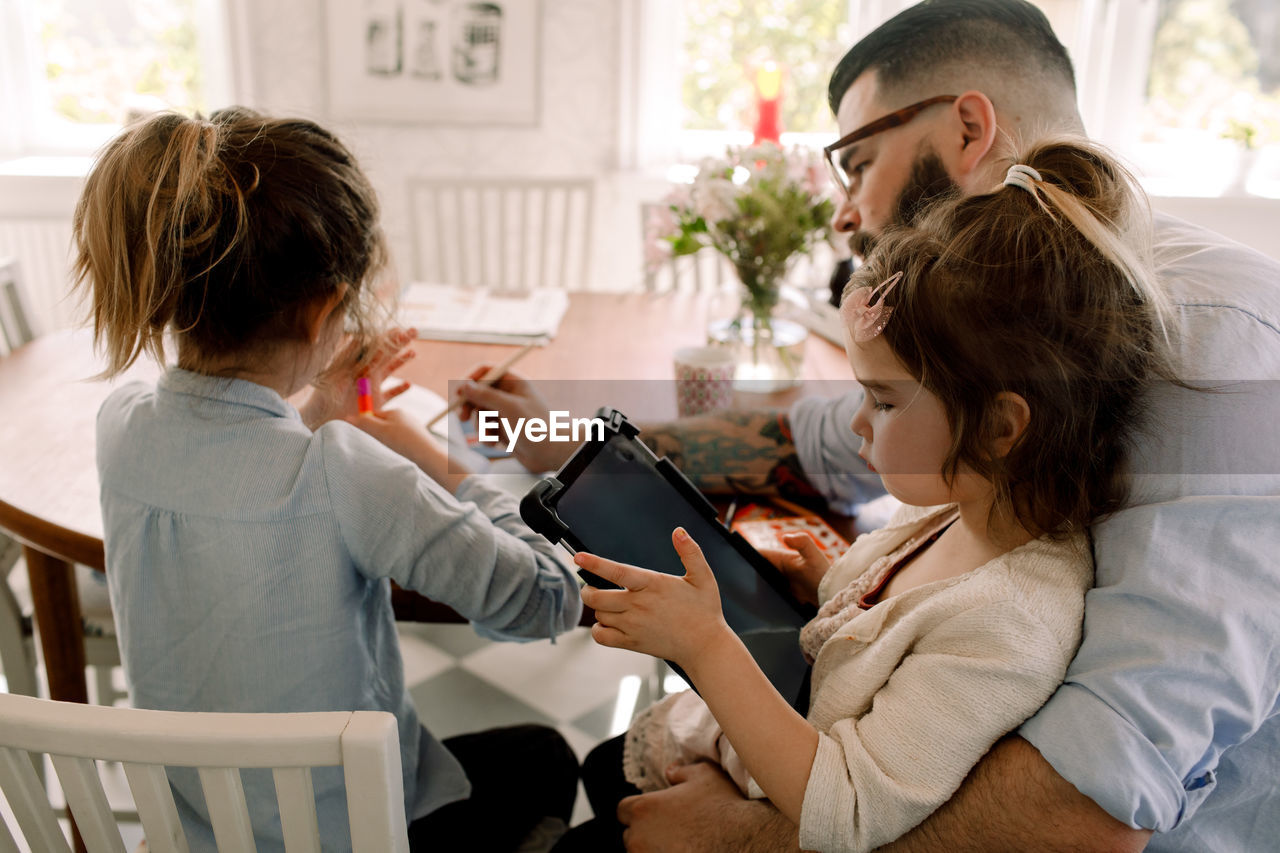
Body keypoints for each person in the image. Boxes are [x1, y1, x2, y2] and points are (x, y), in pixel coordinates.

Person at [461, 2, 1280, 850]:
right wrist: (563, 436)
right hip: (870, 767)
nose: (844, 213)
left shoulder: (1228, 353)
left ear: (969, 128)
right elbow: (814, 433)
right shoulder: (991, 334)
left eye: (856, 163)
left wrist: (743, 839)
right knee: (611, 765)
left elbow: (1087, 809)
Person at [551, 135, 1177, 853]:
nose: (856, 421)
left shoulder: (1010, 627)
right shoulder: (953, 510)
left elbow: (847, 812)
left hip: (793, 788)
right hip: (775, 736)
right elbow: (899, 618)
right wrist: (832, 585)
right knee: (601, 768)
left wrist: (705, 644)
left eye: (882, 400)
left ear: (1002, 426)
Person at [72, 107, 582, 852]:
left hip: (197, 832)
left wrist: (320, 412)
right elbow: (546, 598)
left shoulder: (121, 426)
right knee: (544, 755)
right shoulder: (346, 472)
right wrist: (431, 456)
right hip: (345, 837)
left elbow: (241, 467)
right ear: (321, 315)